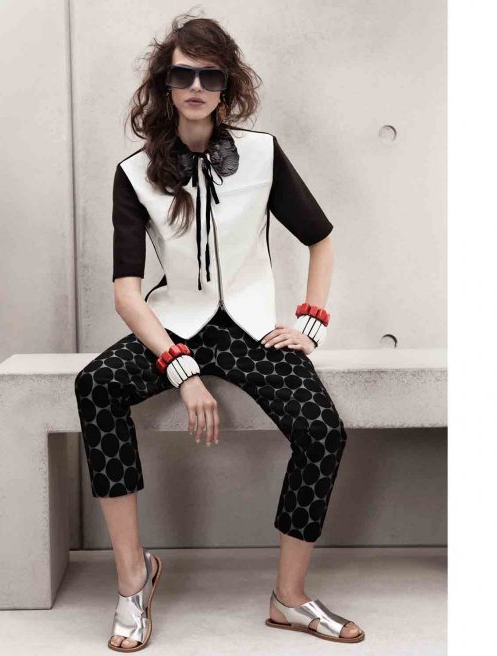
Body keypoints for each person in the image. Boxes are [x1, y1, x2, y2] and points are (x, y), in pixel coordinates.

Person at [74, 13, 364, 651]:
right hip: (175, 325)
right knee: (96, 385)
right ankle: (133, 578)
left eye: (210, 76)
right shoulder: (134, 173)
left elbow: (320, 238)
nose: (196, 87)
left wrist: (310, 323)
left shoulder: (261, 154)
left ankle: (289, 598)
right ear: (165, 83)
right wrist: (181, 370)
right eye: (184, 75)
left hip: (253, 328)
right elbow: (127, 294)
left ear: (227, 85)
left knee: (322, 430)